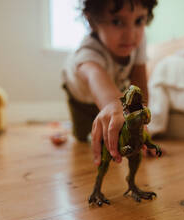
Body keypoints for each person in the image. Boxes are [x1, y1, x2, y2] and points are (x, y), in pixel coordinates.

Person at [63, 0, 158, 166]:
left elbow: (139, 83)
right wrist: (115, 104)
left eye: (139, 21)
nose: (130, 35)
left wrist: (142, 128)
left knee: (116, 125)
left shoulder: (139, 42)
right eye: (117, 22)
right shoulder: (88, 52)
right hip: (81, 98)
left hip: (113, 92)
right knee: (84, 136)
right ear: (92, 22)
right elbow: (95, 77)